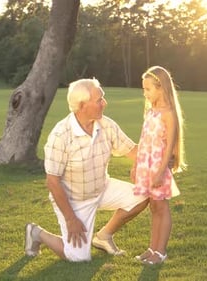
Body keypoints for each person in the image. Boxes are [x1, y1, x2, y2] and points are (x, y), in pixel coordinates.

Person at [24, 78, 148, 262]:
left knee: (142, 196)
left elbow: (134, 151)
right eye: (99, 100)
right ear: (82, 105)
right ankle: (36, 233)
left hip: (102, 188)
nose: (104, 103)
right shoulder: (61, 135)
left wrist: (164, 154)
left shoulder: (107, 125)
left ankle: (103, 236)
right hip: (74, 201)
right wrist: (71, 219)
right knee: (77, 257)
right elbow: (52, 182)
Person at [132, 66, 186, 265]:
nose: (144, 93)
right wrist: (136, 165)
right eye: (144, 89)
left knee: (162, 208)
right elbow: (143, 140)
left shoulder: (168, 114)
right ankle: (152, 248)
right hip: (146, 166)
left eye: (148, 89)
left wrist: (161, 172)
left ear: (161, 88)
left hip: (158, 168)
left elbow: (170, 145)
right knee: (154, 207)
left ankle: (160, 251)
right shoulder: (151, 111)